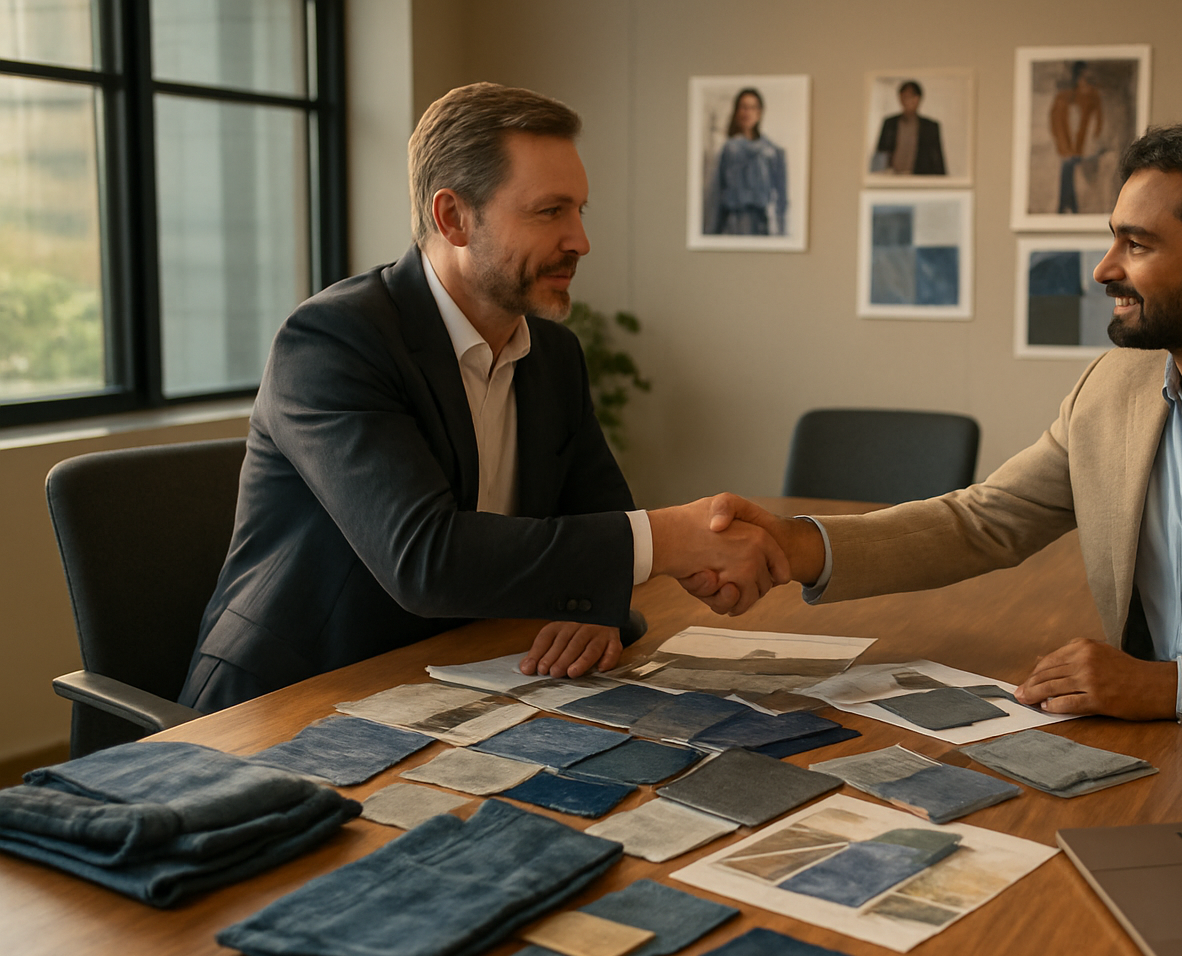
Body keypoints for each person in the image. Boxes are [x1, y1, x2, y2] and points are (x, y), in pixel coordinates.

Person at [695, 121, 1182, 733]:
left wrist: (1162, 687)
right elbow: (983, 521)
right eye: (1113, 237)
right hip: (1139, 744)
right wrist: (800, 545)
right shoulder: (1112, 389)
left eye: (1138, 245)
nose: (1103, 269)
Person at [180, 83, 788, 713]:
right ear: (453, 219)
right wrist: (672, 541)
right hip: (290, 698)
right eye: (550, 212)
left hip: (459, 676)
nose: (580, 240)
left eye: (581, 210)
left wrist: (597, 609)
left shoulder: (553, 357)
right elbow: (426, 558)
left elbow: (600, 515)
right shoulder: (335, 342)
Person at [707, 87, 787, 236]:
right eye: (743, 107)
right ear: (737, 111)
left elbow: (781, 197)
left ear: (759, 112)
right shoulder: (729, 149)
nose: (747, 112)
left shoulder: (771, 151)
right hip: (733, 226)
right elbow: (717, 193)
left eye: (752, 107)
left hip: (762, 225)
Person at [1049, 61, 1102, 214]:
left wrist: (1091, 145)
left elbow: (1097, 123)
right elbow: (1057, 124)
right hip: (1069, 148)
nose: (1085, 82)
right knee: (1068, 167)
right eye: (1083, 77)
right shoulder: (1064, 98)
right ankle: (1070, 206)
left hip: (1083, 148)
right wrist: (1065, 147)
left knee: (1070, 169)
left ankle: (1067, 206)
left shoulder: (1093, 98)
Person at [872, 80, 946, 176]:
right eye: (905, 96)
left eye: (911, 96)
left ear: (918, 99)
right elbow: (880, 154)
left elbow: (937, 159)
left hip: (919, 179)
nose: (908, 100)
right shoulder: (890, 123)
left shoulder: (930, 127)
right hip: (892, 177)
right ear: (900, 98)